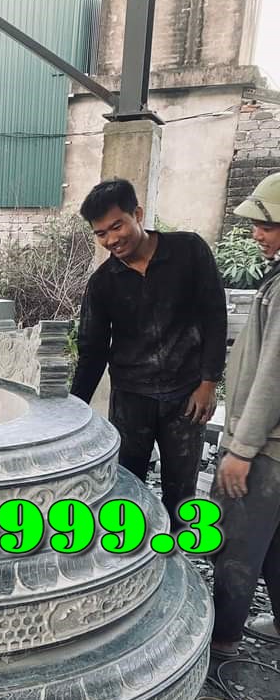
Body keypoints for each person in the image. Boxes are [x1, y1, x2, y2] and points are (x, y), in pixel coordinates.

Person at [71, 178, 227, 528]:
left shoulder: (188, 251)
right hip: (131, 398)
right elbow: (92, 352)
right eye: (101, 234)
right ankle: (133, 553)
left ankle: (177, 551)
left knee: (181, 491)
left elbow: (215, 317)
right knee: (126, 488)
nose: (111, 240)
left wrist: (208, 383)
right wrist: (74, 408)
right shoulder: (103, 283)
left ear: (137, 214)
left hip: (186, 396)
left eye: (117, 226)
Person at [211, 172, 280, 658]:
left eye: (267, 225)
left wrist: (241, 449)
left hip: (266, 450)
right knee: (274, 544)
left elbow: (273, 375)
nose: (256, 234)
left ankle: (222, 641)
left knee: (236, 543)